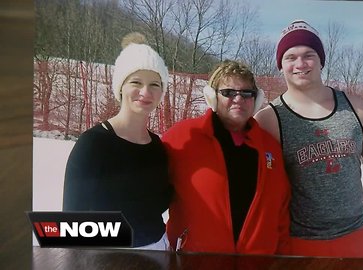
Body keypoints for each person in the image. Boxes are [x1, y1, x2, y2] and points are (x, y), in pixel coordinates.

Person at [254, 20, 363, 258]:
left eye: (308, 55)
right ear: (280, 64)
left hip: (357, 237)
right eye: (290, 57)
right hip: (300, 245)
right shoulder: (269, 120)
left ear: (321, 59)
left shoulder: (356, 108)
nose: (300, 64)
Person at [162, 60, 291, 255]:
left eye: (247, 93)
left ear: (256, 100)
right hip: (195, 261)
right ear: (212, 96)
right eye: (229, 93)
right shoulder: (182, 137)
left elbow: (281, 211)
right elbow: (150, 194)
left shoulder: (270, 147)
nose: (238, 99)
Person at [63, 32, 172, 250]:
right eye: (136, 82)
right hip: (108, 255)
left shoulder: (157, 146)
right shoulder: (94, 143)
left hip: (158, 250)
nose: (145, 92)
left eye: (154, 84)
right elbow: (72, 221)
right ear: (121, 87)